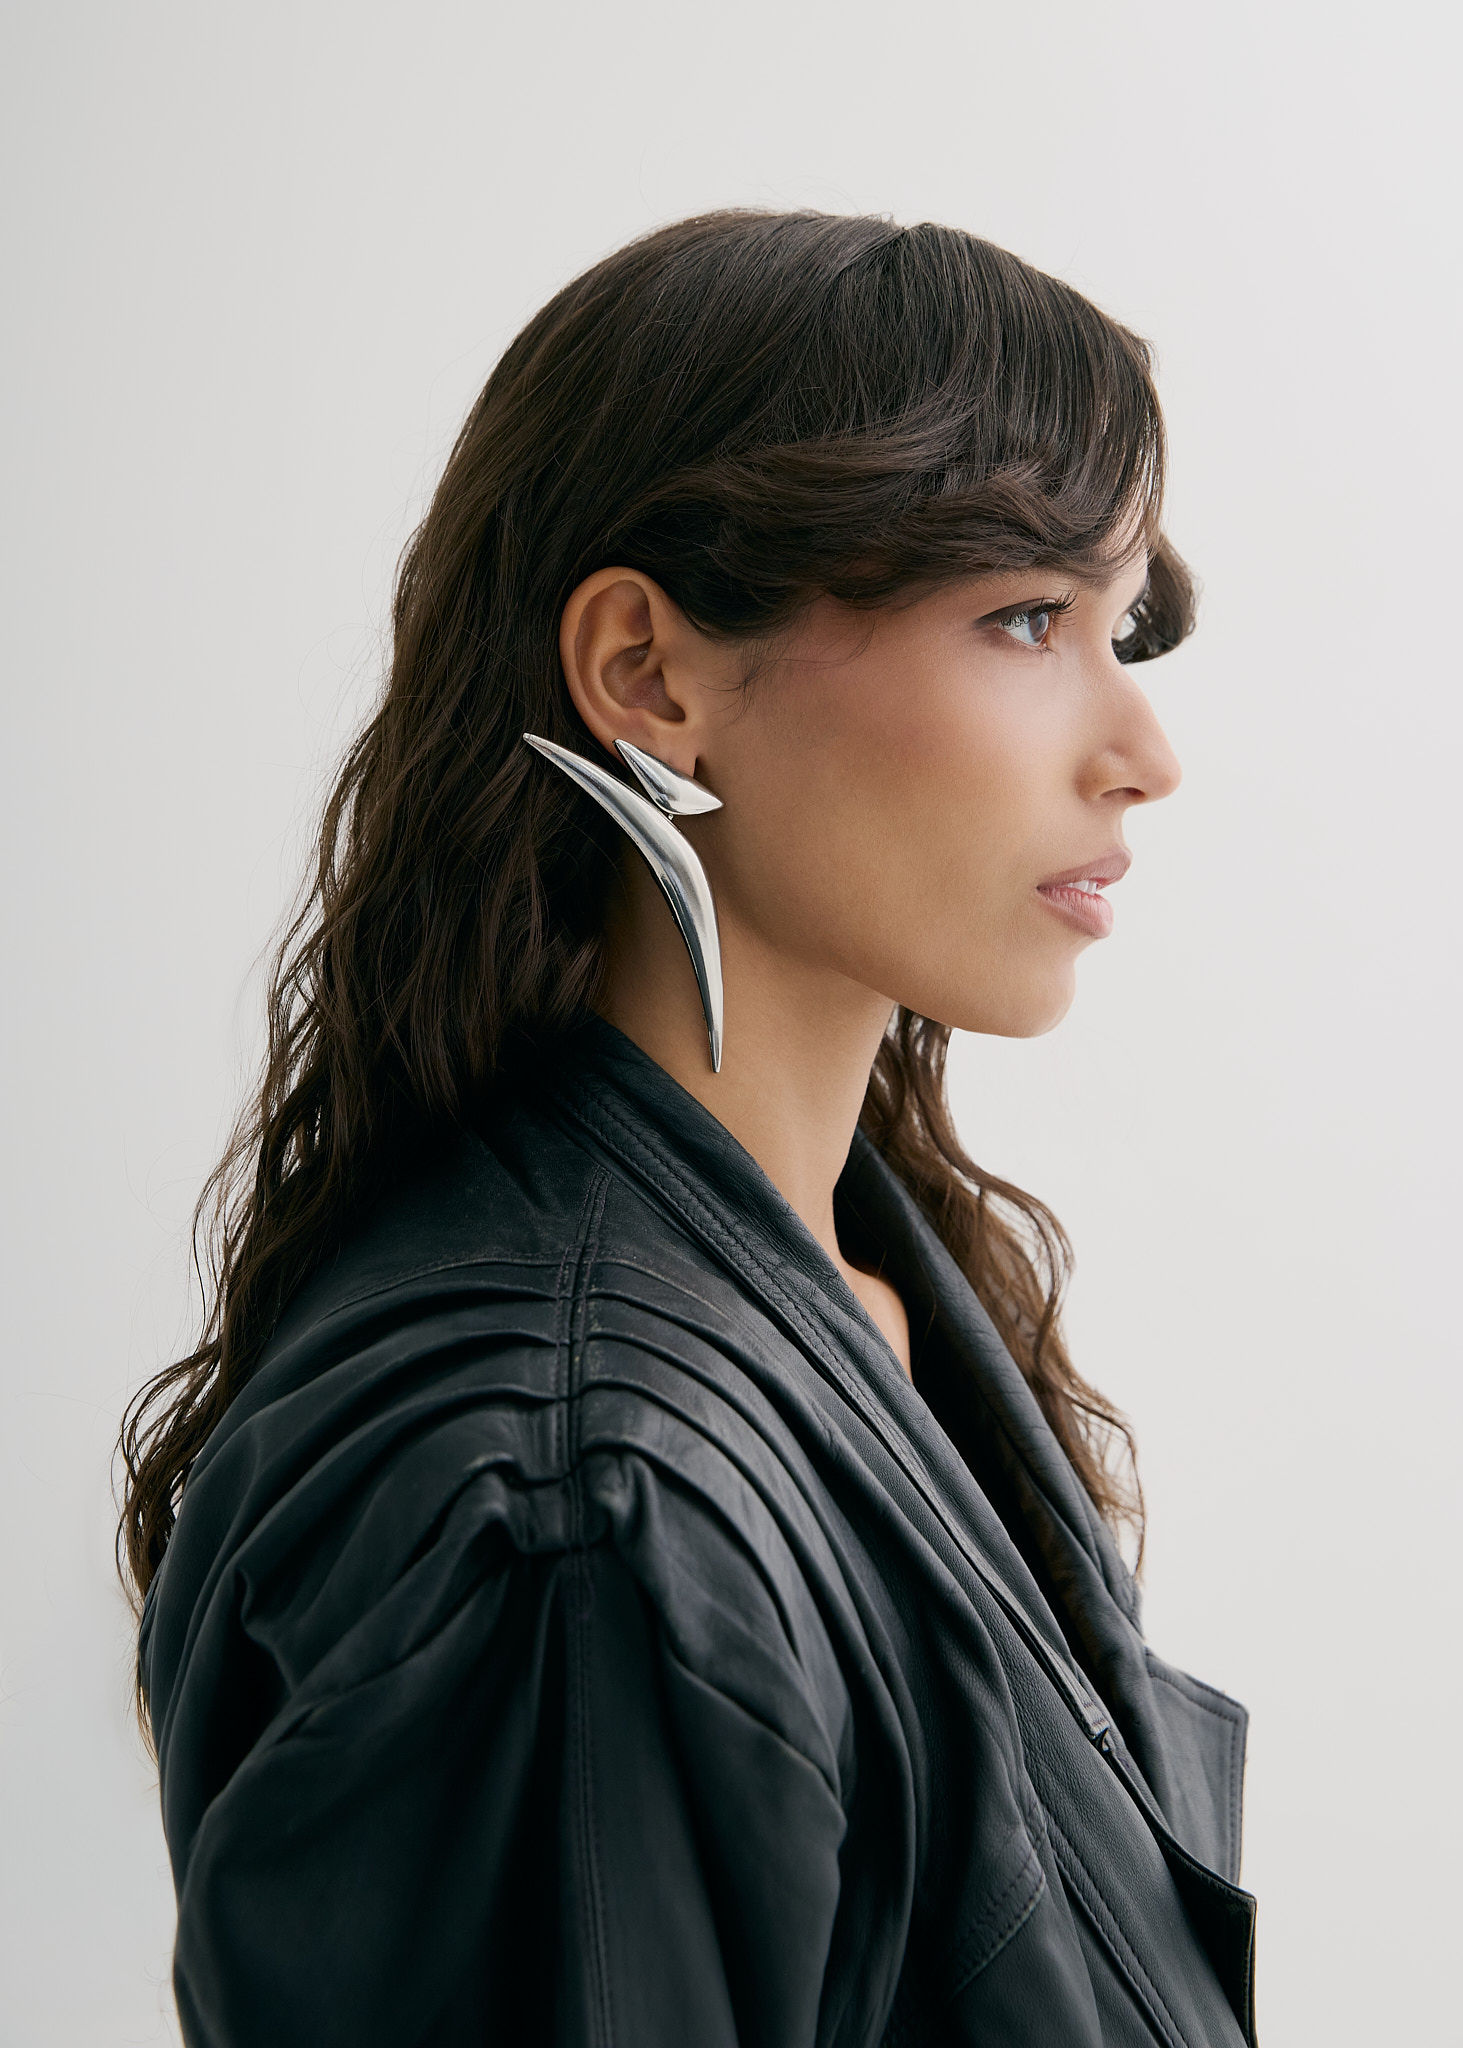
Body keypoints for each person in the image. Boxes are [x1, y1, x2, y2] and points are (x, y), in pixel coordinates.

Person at [119, 208, 1258, 2046]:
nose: (1142, 746)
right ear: (650, 674)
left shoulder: (852, 1286)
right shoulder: (581, 1510)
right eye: (1028, 617)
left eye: (1121, 626)